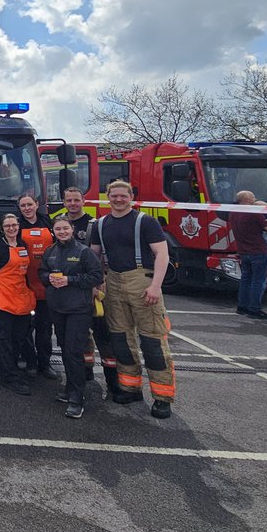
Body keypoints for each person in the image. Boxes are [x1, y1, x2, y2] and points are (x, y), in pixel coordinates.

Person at [89, 179, 176, 419]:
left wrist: (155, 286)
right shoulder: (100, 224)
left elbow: (162, 254)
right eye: (114, 196)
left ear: (131, 197)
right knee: (121, 340)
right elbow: (95, 257)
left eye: (123, 196)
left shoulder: (146, 222)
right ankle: (130, 388)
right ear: (108, 197)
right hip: (113, 283)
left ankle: (162, 397)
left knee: (152, 341)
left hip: (142, 282)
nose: (118, 199)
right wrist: (96, 282)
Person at [40, 217, 105, 419]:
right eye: (58, 229)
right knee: (65, 350)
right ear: (53, 231)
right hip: (58, 308)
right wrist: (48, 278)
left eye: (65, 228)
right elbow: (41, 272)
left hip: (78, 309)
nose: (62, 232)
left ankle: (77, 399)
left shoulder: (83, 252)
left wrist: (70, 280)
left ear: (72, 229)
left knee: (74, 351)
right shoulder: (50, 252)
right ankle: (69, 389)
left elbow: (97, 277)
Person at [57, 186, 119, 391]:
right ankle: (85, 373)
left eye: (76, 200)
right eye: (69, 200)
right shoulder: (58, 224)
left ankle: (113, 382)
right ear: (64, 202)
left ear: (83, 201)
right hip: (71, 288)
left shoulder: (95, 225)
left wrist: (98, 284)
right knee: (80, 335)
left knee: (104, 333)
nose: (73, 204)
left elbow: (101, 257)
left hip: (94, 287)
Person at [0, 213, 35, 396]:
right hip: (4, 298)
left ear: (18, 226)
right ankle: (9, 377)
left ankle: (12, 369)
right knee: (4, 339)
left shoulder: (23, 245)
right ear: (2, 229)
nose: (11, 228)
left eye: (14, 225)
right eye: (7, 226)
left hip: (21, 297)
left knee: (18, 338)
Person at [16, 192, 59, 380]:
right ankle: (30, 362)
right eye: (23, 206)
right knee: (25, 327)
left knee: (45, 327)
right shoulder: (16, 226)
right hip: (24, 283)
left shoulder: (49, 224)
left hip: (45, 283)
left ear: (36, 204)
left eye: (29, 204)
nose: (27, 208)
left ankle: (45, 363)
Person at [229, 190, 267, 319]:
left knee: (245, 279)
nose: (255, 199)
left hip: (243, 251)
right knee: (258, 281)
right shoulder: (255, 213)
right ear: (246, 200)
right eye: (253, 197)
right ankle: (254, 309)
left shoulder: (233, 213)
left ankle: (242, 306)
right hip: (258, 251)